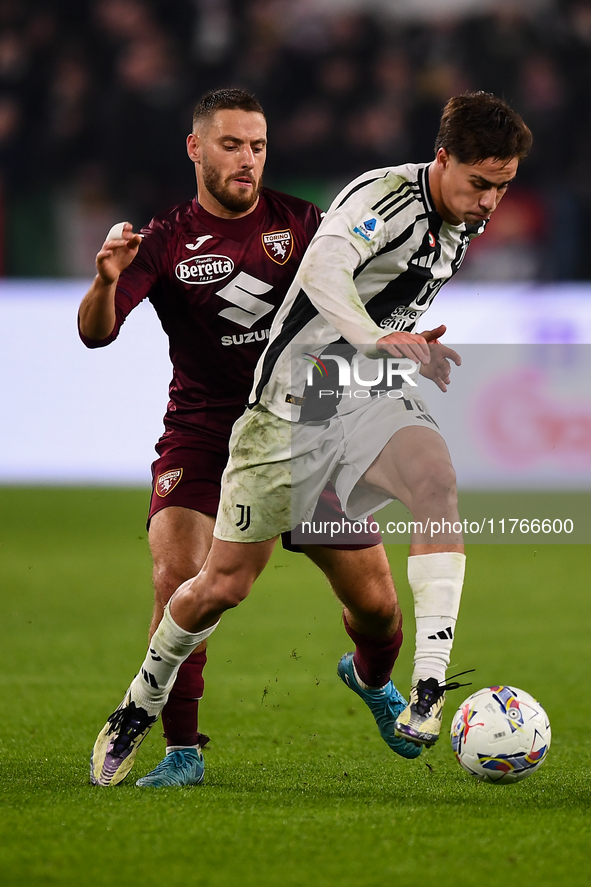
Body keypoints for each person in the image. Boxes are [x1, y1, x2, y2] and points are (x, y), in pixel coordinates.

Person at [90, 90, 532, 788]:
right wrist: (376, 336)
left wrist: (389, 351)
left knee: (420, 515)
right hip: (256, 416)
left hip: (346, 394)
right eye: (479, 185)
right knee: (212, 584)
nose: (489, 203)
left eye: (257, 145)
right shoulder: (364, 201)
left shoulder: (328, 217)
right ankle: (146, 714)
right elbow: (327, 273)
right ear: (195, 147)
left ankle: (420, 687)